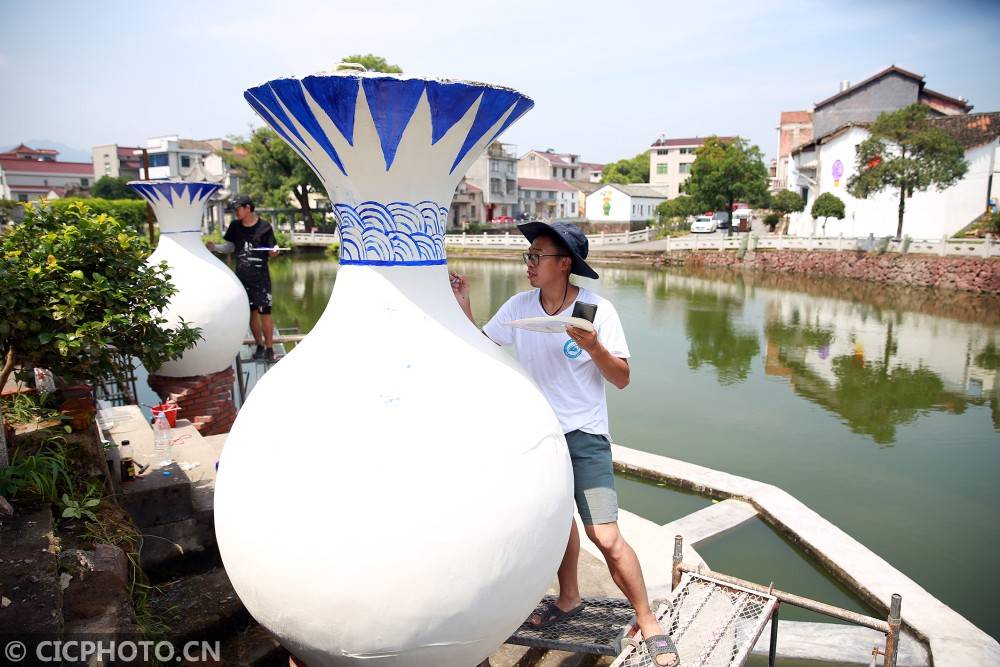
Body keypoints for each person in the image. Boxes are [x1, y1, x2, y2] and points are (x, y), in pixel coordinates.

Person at [452, 222, 679, 667]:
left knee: (605, 535)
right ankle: (569, 597)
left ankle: (648, 620)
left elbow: (622, 378)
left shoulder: (597, 310)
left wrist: (594, 348)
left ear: (565, 264)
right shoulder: (520, 307)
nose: (530, 264)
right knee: (559, 525)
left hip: (585, 437)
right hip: (540, 440)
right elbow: (481, 347)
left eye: (537, 256)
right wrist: (465, 308)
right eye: (529, 256)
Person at [207, 194, 280, 362]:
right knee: (251, 313)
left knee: (265, 313)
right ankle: (259, 346)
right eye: (234, 210)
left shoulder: (264, 227)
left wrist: (275, 251)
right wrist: (215, 247)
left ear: (248, 208)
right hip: (241, 277)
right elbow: (231, 246)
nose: (236, 213)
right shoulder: (235, 226)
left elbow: (273, 248)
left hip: (261, 278)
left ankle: (270, 348)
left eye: (238, 209)